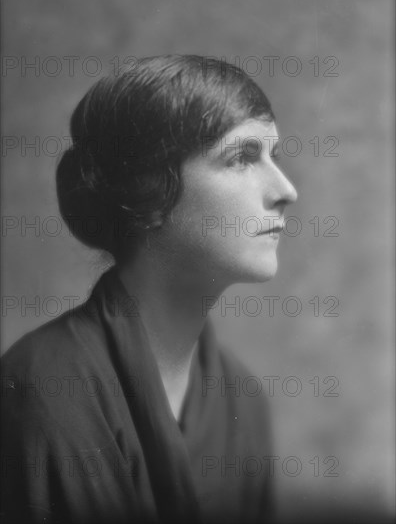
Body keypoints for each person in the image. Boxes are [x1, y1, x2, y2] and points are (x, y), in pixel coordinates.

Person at [1, 55, 298, 524]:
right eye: (242, 157)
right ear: (151, 193)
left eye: (272, 157)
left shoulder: (241, 396)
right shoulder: (44, 387)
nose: (286, 190)